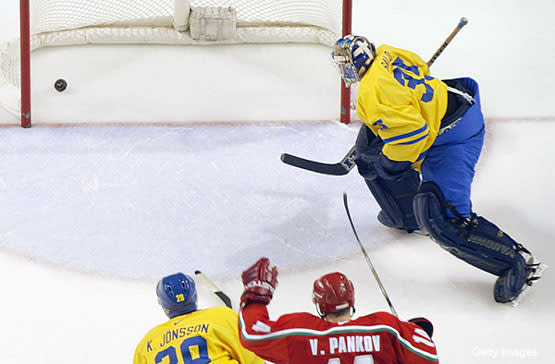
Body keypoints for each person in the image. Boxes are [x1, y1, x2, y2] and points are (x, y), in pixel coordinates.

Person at [330, 35, 545, 304]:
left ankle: (518, 264)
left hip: (455, 137)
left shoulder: (370, 94)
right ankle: (405, 215)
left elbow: (412, 135)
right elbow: (421, 67)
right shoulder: (386, 52)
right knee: (368, 150)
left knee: (441, 218)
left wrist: (391, 164)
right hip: (448, 106)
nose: (342, 69)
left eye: (344, 62)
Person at [238, 257, 439, 364]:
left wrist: (256, 296)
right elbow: (428, 357)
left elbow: (252, 334)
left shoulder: (301, 334)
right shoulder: (386, 327)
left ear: (319, 305)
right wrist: (414, 330)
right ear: (352, 300)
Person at [134, 272, 264, 364]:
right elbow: (253, 358)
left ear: (162, 304)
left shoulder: (146, 344)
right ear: (195, 296)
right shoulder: (222, 316)